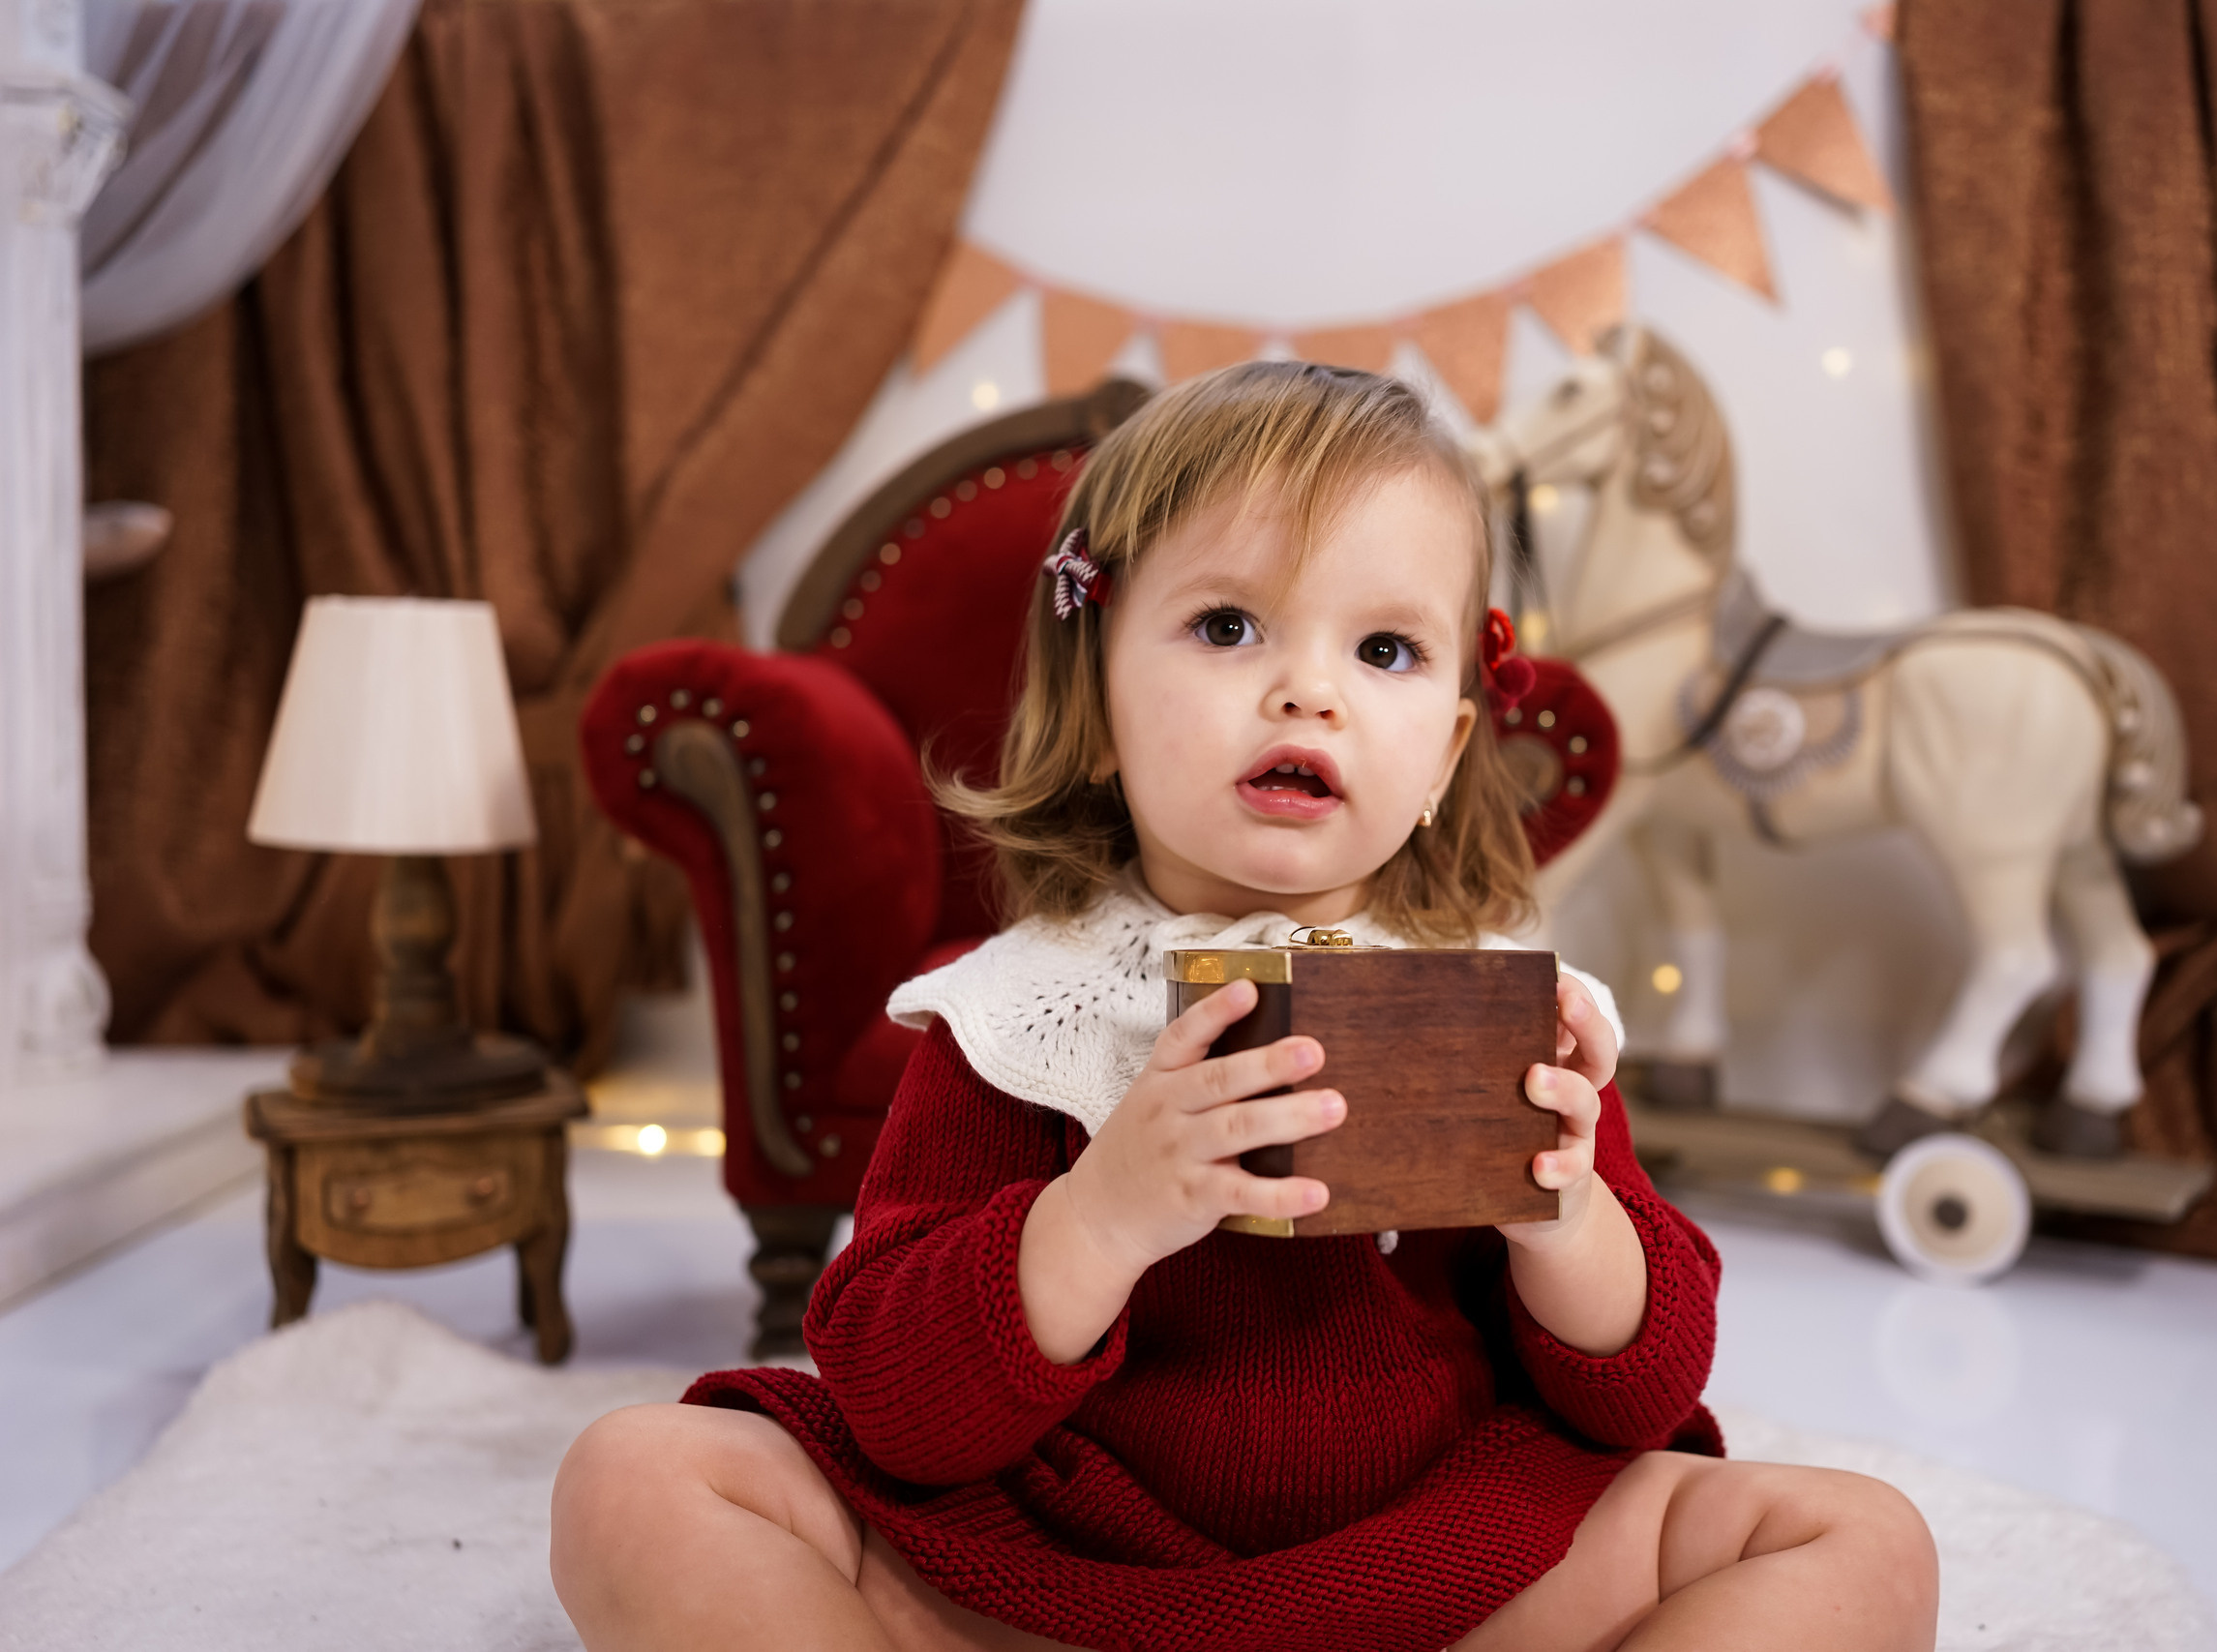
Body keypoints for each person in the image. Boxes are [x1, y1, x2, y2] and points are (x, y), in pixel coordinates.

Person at [550, 363, 1937, 1651]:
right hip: (1058, 1566)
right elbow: (897, 1405)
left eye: (1386, 652)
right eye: (1227, 626)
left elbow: (1637, 1397)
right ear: (1094, 699)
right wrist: (1101, 1215)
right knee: (642, 1477)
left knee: (1856, 1542)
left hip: (1437, 1569)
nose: (1308, 690)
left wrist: (1564, 1218)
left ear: (1455, 746)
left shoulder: (1507, 1012)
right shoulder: (1018, 1015)